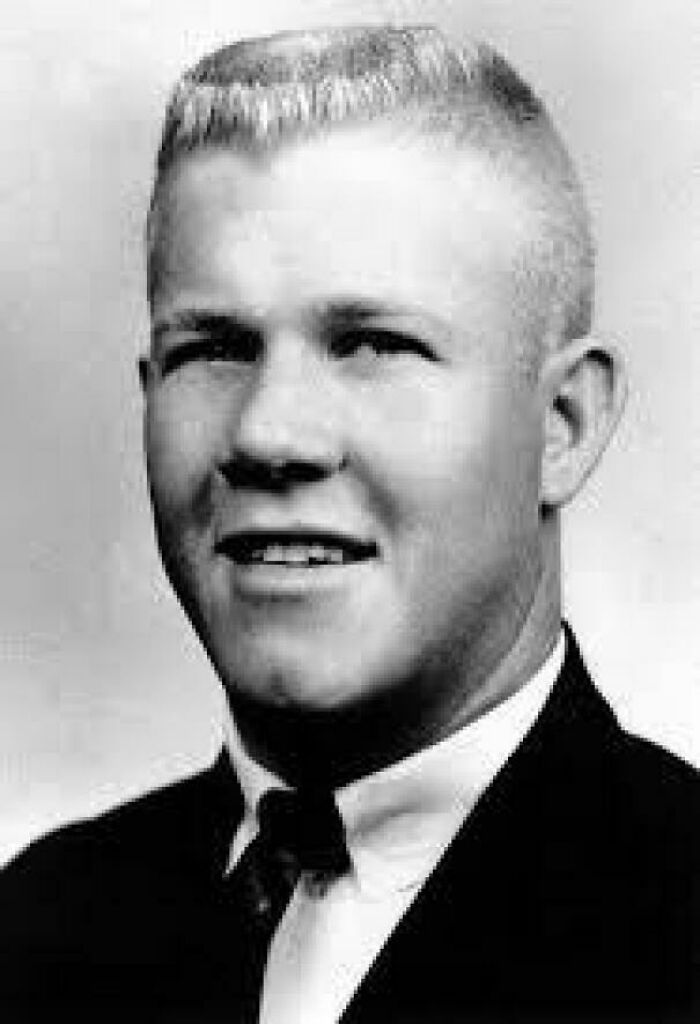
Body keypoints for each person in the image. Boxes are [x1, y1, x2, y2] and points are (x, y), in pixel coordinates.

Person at [0, 22, 697, 1024]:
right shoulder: (34, 929)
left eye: (371, 344)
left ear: (563, 426)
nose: (267, 433)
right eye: (214, 348)